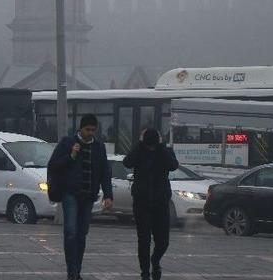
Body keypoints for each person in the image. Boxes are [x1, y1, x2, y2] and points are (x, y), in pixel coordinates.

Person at [48, 114, 113, 280]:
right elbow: (54, 165)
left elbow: (105, 172)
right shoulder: (68, 143)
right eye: (87, 129)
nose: (90, 133)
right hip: (70, 193)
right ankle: (72, 272)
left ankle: (77, 270)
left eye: (93, 130)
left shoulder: (99, 147)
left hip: (89, 195)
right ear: (80, 128)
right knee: (70, 231)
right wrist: (71, 156)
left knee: (82, 233)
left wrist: (108, 195)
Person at [123, 128, 179, 280]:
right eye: (149, 145)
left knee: (163, 241)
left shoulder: (165, 151)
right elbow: (127, 162)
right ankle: (145, 273)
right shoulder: (139, 151)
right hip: (142, 203)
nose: (151, 148)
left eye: (153, 145)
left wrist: (160, 146)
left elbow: (173, 165)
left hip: (160, 203)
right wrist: (140, 144)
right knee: (144, 240)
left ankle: (155, 260)